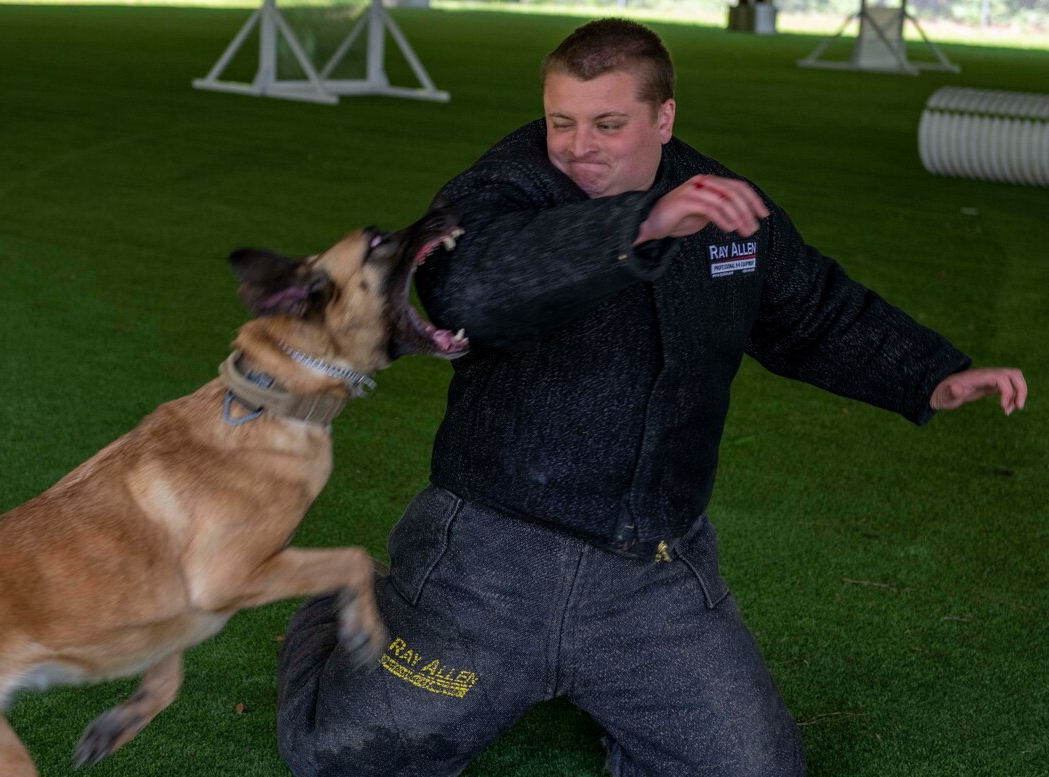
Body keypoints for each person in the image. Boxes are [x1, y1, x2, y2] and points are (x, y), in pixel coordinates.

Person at [275, 19, 1027, 777]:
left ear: (664, 118)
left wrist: (926, 373)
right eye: (560, 121)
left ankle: (624, 701)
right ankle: (338, 619)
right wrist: (642, 225)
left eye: (608, 123)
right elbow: (465, 286)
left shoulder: (727, 209)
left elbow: (811, 311)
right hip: (488, 566)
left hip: (651, 570)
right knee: (340, 762)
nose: (577, 145)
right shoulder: (504, 184)